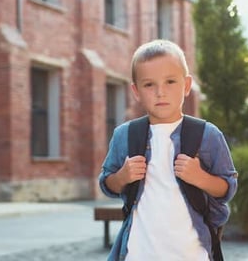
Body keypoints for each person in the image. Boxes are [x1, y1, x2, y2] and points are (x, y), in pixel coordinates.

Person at [98, 39, 238, 261]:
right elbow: (107, 184)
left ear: (186, 85)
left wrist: (200, 177)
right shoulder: (125, 135)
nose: (160, 92)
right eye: (149, 84)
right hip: (138, 253)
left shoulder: (208, 135)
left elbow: (227, 188)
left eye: (170, 81)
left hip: (191, 254)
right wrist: (122, 176)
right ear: (136, 91)